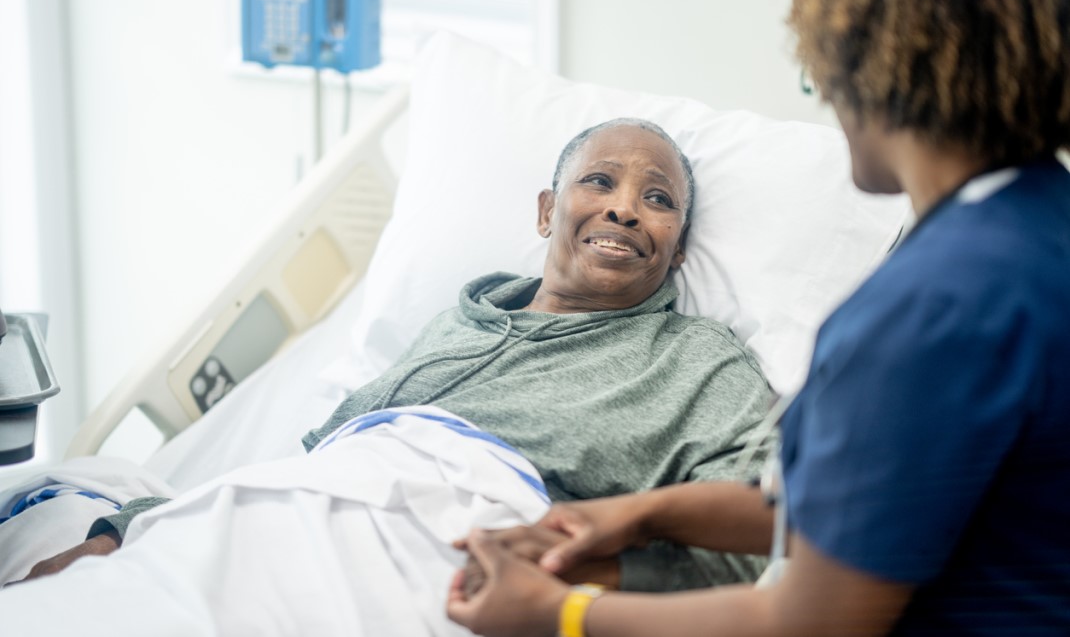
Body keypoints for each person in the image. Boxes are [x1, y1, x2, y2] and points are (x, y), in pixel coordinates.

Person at [445, 0, 1070, 635]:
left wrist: (556, 611)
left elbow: (810, 621)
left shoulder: (936, 304)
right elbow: (862, 498)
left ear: (865, 59)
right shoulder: (1040, 226)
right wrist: (643, 510)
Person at [2, 118, 774, 597]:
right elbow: (304, 467)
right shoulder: (456, 327)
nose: (622, 207)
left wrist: (577, 578)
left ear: (677, 252)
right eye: (600, 181)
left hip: (452, 559)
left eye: (658, 199)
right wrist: (118, 532)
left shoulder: (697, 366)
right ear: (547, 211)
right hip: (293, 518)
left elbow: (765, 540)